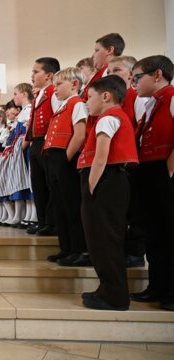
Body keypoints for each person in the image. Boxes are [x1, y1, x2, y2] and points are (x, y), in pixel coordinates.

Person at [78, 75, 138, 311]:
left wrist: (91, 186)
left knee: (104, 240)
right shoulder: (112, 117)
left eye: (90, 97)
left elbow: (101, 156)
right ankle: (107, 289)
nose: (87, 102)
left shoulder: (108, 118)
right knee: (102, 240)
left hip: (105, 182)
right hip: (110, 181)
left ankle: (114, 296)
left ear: (106, 96)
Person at [130, 55, 174, 311]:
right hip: (148, 171)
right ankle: (157, 286)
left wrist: (168, 170)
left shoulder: (170, 96)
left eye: (137, 78)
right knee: (154, 234)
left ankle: (171, 290)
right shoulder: (150, 103)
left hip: (163, 171)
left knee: (169, 233)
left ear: (157, 75)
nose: (134, 83)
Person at [43, 67, 89, 266]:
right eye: (54, 85)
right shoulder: (62, 106)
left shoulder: (77, 104)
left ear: (75, 85)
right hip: (54, 158)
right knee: (59, 205)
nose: (55, 89)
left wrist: (66, 159)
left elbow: (79, 134)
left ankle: (79, 249)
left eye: (59, 84)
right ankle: (66, 247)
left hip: (65, 159)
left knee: (71, 206)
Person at [107, 55, 148, 268]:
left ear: (130, 75)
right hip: (116, 162)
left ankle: (135, 251)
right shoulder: (115, 99)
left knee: (135, 208)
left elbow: (140, 129)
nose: (111, 75)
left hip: (134, 160)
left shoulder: (136, 98)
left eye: (117, 71)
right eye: (109, 71)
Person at [24, 57, 61, 236]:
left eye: (35, 72)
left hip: (46, 142)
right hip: (36, 142)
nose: (32, 75)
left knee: (49, 183)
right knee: (38, 184)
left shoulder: (54, 92)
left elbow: (56, 117)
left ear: (49, 75)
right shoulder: (39, 94)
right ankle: (43, 221)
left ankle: (52, 223)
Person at [9, 83, 35, 229]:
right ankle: (27, 214)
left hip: (25, 147)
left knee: (30, 179)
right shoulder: (24, 111)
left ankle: (33, 214)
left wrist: (21, 146)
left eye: (15, 93)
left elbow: (27, 132)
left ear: (24, 94)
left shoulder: (30, 109)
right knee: (24, 180)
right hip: (20, 148)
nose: (14, 97)